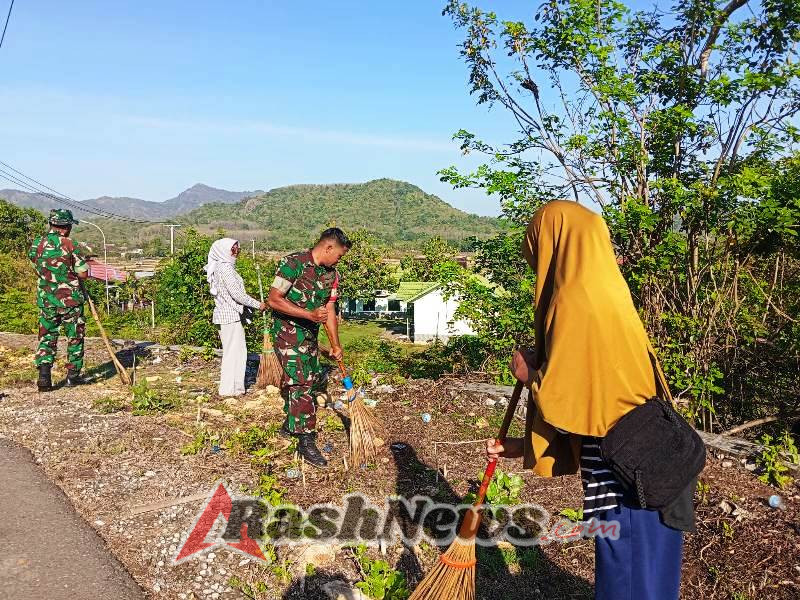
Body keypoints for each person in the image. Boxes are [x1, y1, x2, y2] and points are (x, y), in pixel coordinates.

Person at [486, 201, 695, 600]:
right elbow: (597, 402)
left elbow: (571, 400)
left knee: (628, 586)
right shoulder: (608, 290)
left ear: (552, 243)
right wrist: (522, 446)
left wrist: (530, 377)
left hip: (630, 485)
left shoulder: (574, 301)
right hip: (653, 467)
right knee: (650, 584)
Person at [268, 227, 351, 469]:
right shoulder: (293, 264)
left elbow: (330, 310)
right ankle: (305, 440)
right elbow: (274, 299)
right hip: (287, 334)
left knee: (312, 378)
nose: (339, 260)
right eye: (338, 255)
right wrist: (308, 314)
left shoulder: (331, 275)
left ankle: (290, 424)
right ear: (328, 247)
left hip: (310, 336)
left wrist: (336, 345)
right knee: (302, 382)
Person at [29, 209, 90, 392]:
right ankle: (73, 377)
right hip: (70, 301)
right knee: (75, 337)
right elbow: (83, 273)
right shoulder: (71, 244)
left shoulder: (37, 244)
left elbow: (36, 267)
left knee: (47, 336)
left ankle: (44, 377)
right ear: (66, 227)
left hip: (46, 300)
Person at [204, 238, 266, 397]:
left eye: (238, 249)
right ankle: (229, 390)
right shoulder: (225, 268)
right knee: (235, 353)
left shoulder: (220, 267)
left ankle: (234, 389)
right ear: (224, 251)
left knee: (235, 352)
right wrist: (258, 304)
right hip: (229, 316)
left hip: (226, 315)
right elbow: (237, 295)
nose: (236, 252)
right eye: (233, 249)